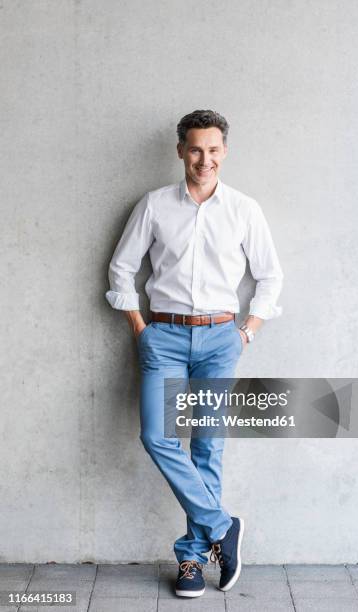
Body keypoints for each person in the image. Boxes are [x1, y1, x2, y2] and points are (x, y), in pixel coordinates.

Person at [105, 109, 284, 597]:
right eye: (195, 149)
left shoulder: (244, 209)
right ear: (181, 150)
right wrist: (140, 326)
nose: (204, 159)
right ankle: (222, 526)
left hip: (220, 338)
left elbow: (270, 276)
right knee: (158, 436)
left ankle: (191, 560)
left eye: (213, 150)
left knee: (208, 444)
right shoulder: (155, 205)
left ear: (224, 152)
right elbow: (121, 270)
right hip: (162, 336)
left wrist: (247, 330)